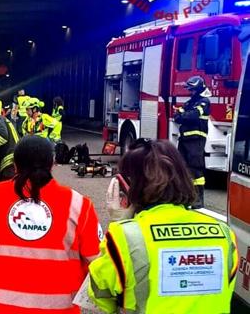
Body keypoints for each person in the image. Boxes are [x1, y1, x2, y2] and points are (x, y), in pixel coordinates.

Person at [0, 136, 102, 313]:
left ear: (16, 165)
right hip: (58, 307)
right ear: (52, 164)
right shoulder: (79, 205)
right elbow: (96, 260)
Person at [88, 139, 238, 313]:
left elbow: (100, 293)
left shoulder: (124, 237)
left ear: (128, 187)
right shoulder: (224, 234)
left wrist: (119, 222)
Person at [174, 76, 211, 208]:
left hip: (196, 141)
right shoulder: (190, 102)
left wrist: (182, 115)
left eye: (192, 89)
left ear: (198, 88)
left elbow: (193, 115)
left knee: (196, 170)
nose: (191, 92)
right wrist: (182, 115)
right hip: (184, 140)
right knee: (182, 168)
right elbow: (177, 116)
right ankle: (185, 196)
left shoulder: (204, 102)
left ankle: (198, 199)